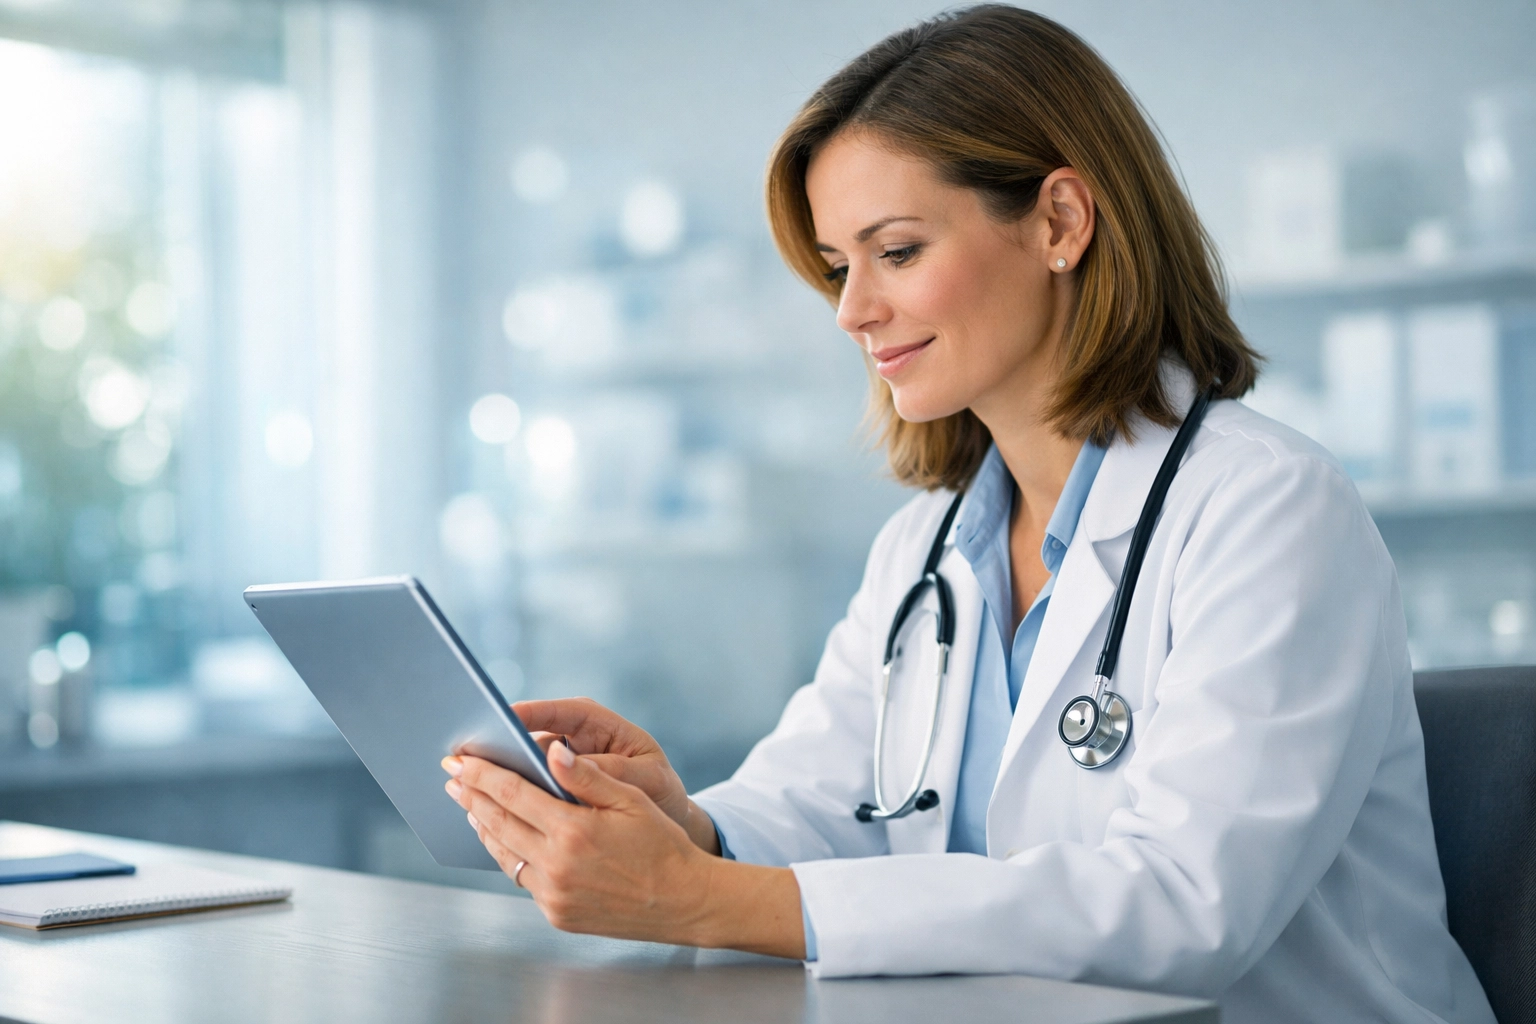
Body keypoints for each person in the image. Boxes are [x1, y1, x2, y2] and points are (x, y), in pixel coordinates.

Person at [439, 7, 1495, 1021]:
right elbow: (825, 800)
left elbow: (1182, 908)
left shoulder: (1267, 510)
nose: (852, 310)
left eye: (896, 252)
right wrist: (687, 831)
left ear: (1060, 222)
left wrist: (701, 899)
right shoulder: (926, 550)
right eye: (838, 267)